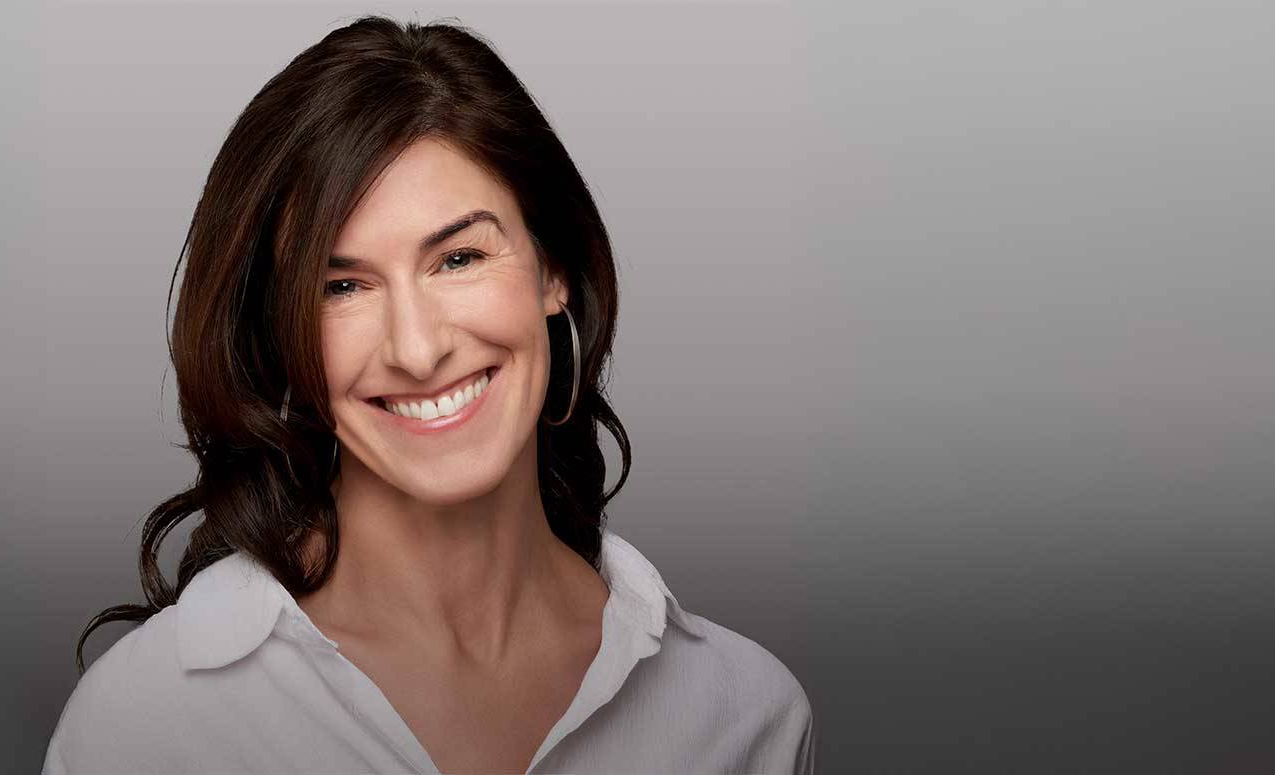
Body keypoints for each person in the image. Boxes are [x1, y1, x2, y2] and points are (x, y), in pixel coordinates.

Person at [42, 14, 817, 775]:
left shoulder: (744, 716)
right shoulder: (144, 723)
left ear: (553, 268)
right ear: (278, 337)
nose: (417, 351)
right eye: (342, 286)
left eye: (459, 258)